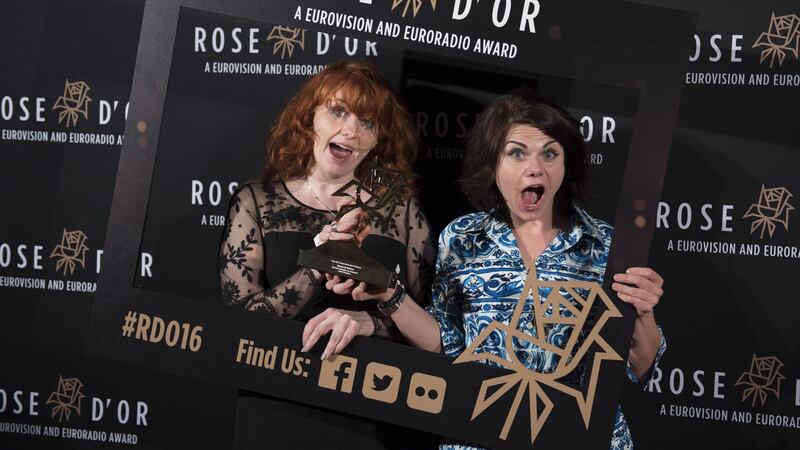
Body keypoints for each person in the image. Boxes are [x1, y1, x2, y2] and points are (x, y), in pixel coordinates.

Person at [327, 88, 666, 450]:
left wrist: (642, 314)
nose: (535, 168)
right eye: (517, 153)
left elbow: (642, 368)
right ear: (493, 164)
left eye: (550, 153)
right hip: (480, 436)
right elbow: (447, 346)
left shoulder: (605, 246)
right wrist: (391, 295)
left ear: (565, 167)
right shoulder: (462, 239)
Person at [219, 59, 436, 450]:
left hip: (376, 413)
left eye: (368, 123)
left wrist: (370, 324)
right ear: (309, 118)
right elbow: (239, 324)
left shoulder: (404, 212)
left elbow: (432, 330)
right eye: (338, 111)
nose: (351, 131)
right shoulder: (256, 201)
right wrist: (321, 263)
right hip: (276, 407)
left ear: (378, 139)